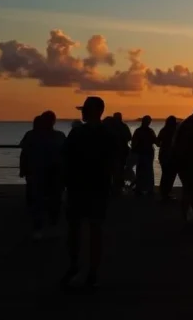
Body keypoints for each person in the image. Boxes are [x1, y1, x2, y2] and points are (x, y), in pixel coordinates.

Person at [61, 96, 115, 291]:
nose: (82, 112)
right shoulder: (108, 134)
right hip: (98, 187)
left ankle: (76, 266)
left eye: (84, 109)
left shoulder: (77, 134)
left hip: (79, 187)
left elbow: (65, 158)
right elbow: (115, 161)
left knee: (75, 229)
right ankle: (92, 271)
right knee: (95, 230)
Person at [19, 111, 66, 239]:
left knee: (50, 201)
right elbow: (25, 153)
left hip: (50, 173)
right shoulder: (57, 136)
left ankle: (45, 227)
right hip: (42, 172)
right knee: (43, 201)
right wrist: (23, 169)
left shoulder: (34, 135)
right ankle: (43, 227)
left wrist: (23, 169)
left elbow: (24, 153)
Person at [106, 112, 132, 194]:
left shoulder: (109, 127)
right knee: (118, 170)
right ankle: (117, 187)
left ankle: (114, 187)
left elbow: (128, 137)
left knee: (113, 170)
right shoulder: (123, 126)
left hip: (115, 152)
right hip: (119, 152)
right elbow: (129, 137)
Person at [131, 116, 157, 196]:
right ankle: (148, 189)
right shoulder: (149, 131)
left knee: (141, 171)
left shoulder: (138, 131)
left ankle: (140, 188)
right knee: (148, 171)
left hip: (143, 153)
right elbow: (155, 141)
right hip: (146, 153)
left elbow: (133, 143)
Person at [158, 115, 179, 200]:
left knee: (165, 174)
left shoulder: (163, 130)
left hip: (164, 155)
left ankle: (164, 192)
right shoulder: (175, 131)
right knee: (171, 175)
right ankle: (166, 192)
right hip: (172, 155)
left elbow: (157, 142)